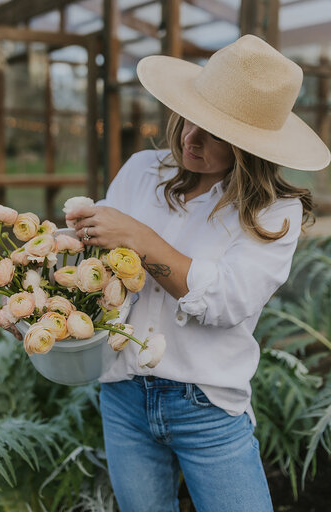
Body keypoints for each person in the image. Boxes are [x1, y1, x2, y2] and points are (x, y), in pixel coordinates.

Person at [64, 34, 331, 512]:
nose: (192, 138)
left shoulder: (274, 213)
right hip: (123, 393)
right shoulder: (143, 170)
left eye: (217, 133)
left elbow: (226, 302)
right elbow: (99, 253)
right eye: (192, 117)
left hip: (206, 406)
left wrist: (138, 239)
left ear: (254, 147)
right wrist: (72, 245)